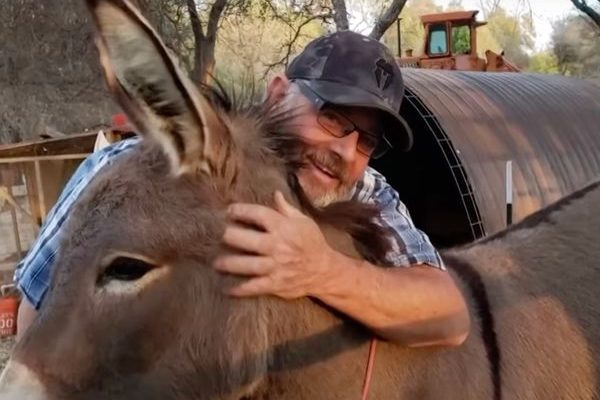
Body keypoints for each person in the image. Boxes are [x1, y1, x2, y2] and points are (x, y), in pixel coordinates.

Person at [14, 31, 469, 347]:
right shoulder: (126, 171)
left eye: (367, 140)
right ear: (277, 94)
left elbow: (448, 316)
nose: (347, 152)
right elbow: (36, 308)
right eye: (332, 116)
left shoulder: (364, 191)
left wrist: (322, 269)